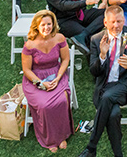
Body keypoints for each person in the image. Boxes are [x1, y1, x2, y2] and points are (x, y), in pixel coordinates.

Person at [79, 6, 127, 157]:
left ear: (124, 21)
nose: (116, 25)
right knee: (113, 114)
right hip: (105, 86)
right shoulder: (96, 39)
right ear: (105, 22)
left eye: (119, 21)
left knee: (108, 98)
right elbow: (94, 72)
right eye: (113, 22)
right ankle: (118, 154)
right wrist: (102, 55)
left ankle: (91, 147)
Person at [21, 10, 74, 152]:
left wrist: (58, 78)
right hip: (35, 79)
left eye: (49, 24)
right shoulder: (30, 45)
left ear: (53, 24)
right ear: (37, 26)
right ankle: (50, 139)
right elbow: (27, 70)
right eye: (43, 25)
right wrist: (40, 83)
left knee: (62, 100)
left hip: (56, 74)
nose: (46, 27)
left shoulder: (59, 38)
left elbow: (65, 60)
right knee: (44, 105)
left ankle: (62, 135)